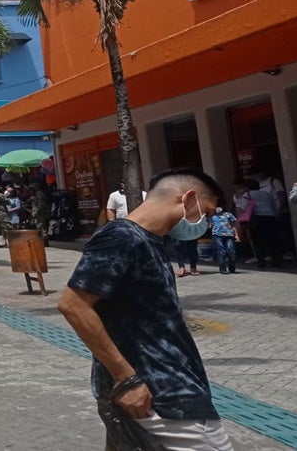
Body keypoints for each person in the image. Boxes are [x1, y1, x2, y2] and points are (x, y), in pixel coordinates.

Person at [58, 167, 233, 451]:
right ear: (188, 198)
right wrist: (127, 379)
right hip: (161, 394)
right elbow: (73, 304)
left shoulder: (152, 241)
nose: (206, 223)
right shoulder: (121, 237)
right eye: (208, 213)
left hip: (161, 390)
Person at [246, 179, 284, 267]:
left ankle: (261, 260)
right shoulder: (267, 194)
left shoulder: (247, 194)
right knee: (272, 238)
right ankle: (276, 259)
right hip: (270, 217)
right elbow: (274, 205)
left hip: (257, 218)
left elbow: (244, 207)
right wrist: (276, 214)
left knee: (258, 240)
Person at [209, 203, 239, 275]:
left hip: (229, 235)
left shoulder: (229, 215)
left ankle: (232, 266)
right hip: (217, 235)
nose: (218, 208)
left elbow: (233, 225)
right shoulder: (212, 216)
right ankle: (223, 267)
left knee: (231, 251)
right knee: (221, 251)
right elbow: (209, 226)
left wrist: (236, 235)